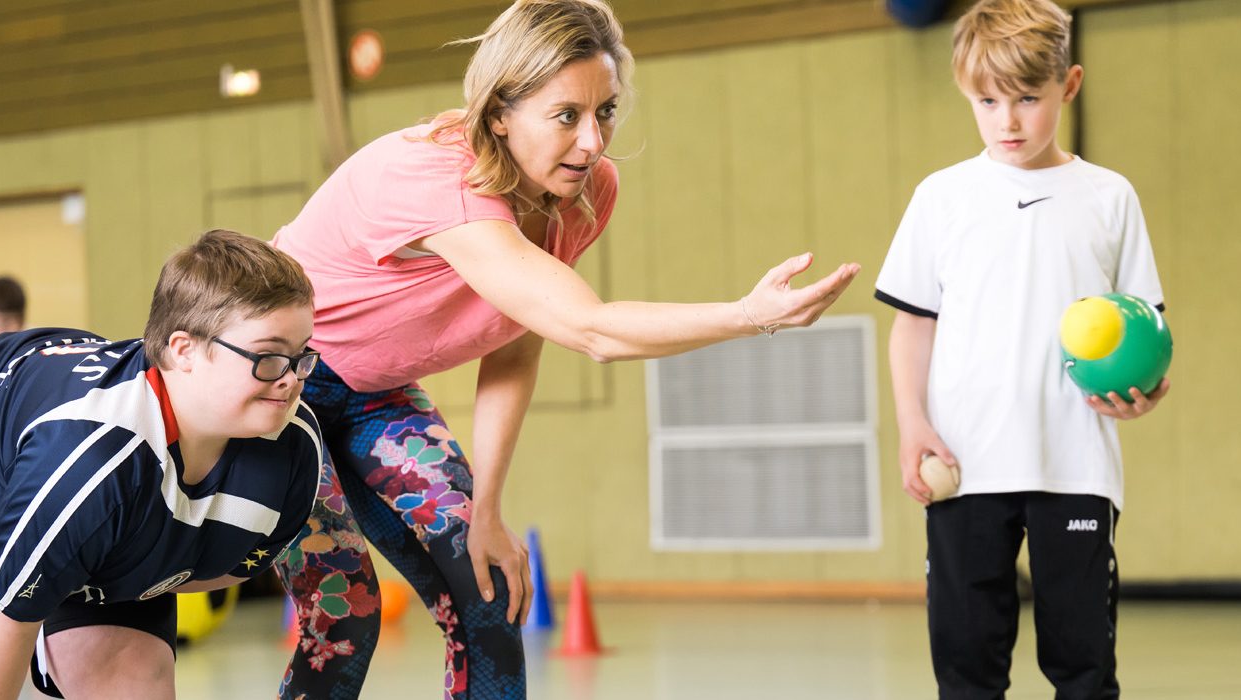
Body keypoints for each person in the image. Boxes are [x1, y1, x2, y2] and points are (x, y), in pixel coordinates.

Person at [265, 0, 860, 696]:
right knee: (345, 614)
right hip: (281, 388)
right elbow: (591, 329)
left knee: (490, 590)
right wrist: (747, 315)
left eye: (604, 112)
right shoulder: (438, 178)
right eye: (565, 116)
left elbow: (520, 338)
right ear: (499, 115)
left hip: (378, 394)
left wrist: (485, 509)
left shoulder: (581, 193)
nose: (592, 143)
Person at [0, 230, 328, 699]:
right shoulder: (96, 460)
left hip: (86, 531)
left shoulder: (293, 448)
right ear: (183, 351)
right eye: (268, 355)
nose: (290, 378)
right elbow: (5, 625)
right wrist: (45, 583)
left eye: (302, 356)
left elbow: (225, 568)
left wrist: (87, 583)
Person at [874, 1, 1171, 697]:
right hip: (965, 463)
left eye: (1027, 99)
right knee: (966, 664)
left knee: (1084, 666)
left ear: (1069, 86)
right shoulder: (942, 197)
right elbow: (913, 324)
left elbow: (1146, 328)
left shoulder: (1109, 197)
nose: (1007, 121)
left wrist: (1148, 389)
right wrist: (912, 423)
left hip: (1076, 464)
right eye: (987, 100)